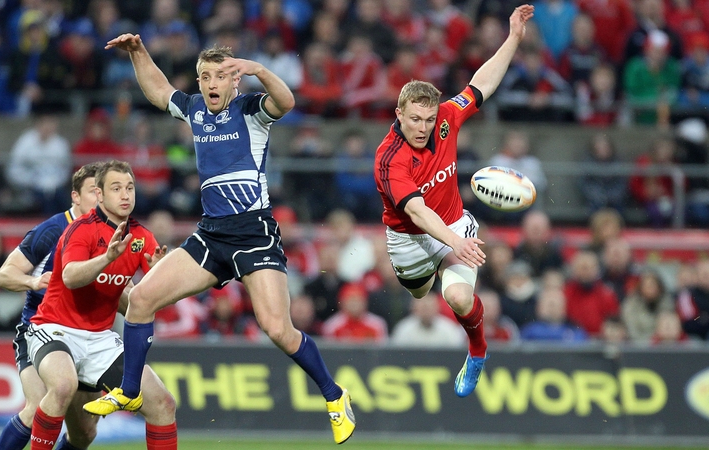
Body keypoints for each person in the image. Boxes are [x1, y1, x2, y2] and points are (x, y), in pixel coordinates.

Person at [83, 36, 356, 445]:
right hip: (212, 233)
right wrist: (139, 52)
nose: (212, 83)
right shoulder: (195, 109)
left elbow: (286, 102)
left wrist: (258, 69)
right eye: (205, 76)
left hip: (253, 232)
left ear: (234, 81)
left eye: (221, 76)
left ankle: (334, 395)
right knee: (140, 300)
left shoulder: (250, 110)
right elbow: (159, 91)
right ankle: (130, 389)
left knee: (278, 329)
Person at [372, 5, 535, 398]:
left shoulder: (447, 118)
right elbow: (416, 211)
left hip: (454, 224)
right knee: (418, 292)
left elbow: (482, 84)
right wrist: (453, 242)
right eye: (415, 119)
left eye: (429, 120)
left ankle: (477, 353)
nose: (423, 128)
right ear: (399, 114)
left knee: (459, 298)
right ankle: (435, 273)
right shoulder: (389, 159)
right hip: (409, 240)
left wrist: (513, 38)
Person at [25, 160, 176, 450]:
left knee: (161, 404)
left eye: (130, 188)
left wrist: (159, 276)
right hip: (54, 329)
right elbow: (70, 277)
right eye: (116, 188)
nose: (125, 195)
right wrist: (107, 258)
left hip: (100, 339)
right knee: (63, 386)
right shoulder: (81, 229)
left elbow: (152, 303)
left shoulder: (141, 237)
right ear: (100, 195)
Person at [0, 163, 105, 450]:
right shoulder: (53, 229)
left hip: (85, 336)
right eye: (93, 191)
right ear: (75, 197)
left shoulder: (110, 235)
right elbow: (4, 275)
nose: (100, 198)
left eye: (103, 191)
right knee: (38, 407)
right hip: (39, 329)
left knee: (84, 433)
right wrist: (32, 282)